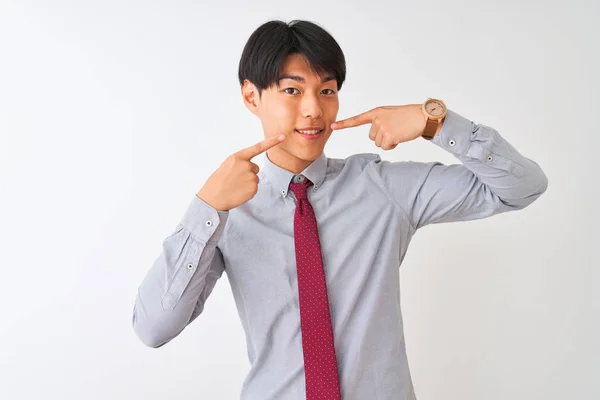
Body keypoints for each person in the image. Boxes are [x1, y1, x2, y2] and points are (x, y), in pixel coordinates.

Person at [132, 20, 548, 400]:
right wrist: (206, 206)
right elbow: (153, 329)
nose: (314, 109)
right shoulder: (226, 212)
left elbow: (523, 188)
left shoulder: (383, 187)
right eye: (292, 90)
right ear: (251, 96)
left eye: (326, 90)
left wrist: (435, 123)